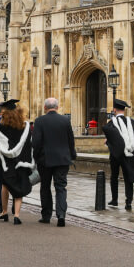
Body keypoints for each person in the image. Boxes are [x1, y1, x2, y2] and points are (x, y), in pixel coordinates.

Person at [32, 97, 76, 227]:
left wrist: (35, 157)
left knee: (45, 187)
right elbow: (71, 140)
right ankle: (61, 215)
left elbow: (36, 142)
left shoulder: (39, 121)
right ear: (57, 107)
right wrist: (72, 156)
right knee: (60, 187)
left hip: (45, 160)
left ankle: (46, 216)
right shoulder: (65, 120)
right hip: (62, 160)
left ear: (45, 108)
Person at [102, 98, 134, 210]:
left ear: (114, 110)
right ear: (124, 110)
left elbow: (113, 140)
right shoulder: (133, 122)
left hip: (115, 155)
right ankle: (128, 202)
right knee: (128, 178)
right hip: (129, 155)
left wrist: (107, 141)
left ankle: (114, 200)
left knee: (114, 176)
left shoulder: (111, 124)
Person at [0, 104, 35, 225]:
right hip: (21, 161)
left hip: (7, 162)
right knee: (19, 186)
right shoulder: (25, 126)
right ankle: (17, 216)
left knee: (5, 185)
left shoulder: (1, 127)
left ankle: (4, 211)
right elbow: (29, 145)